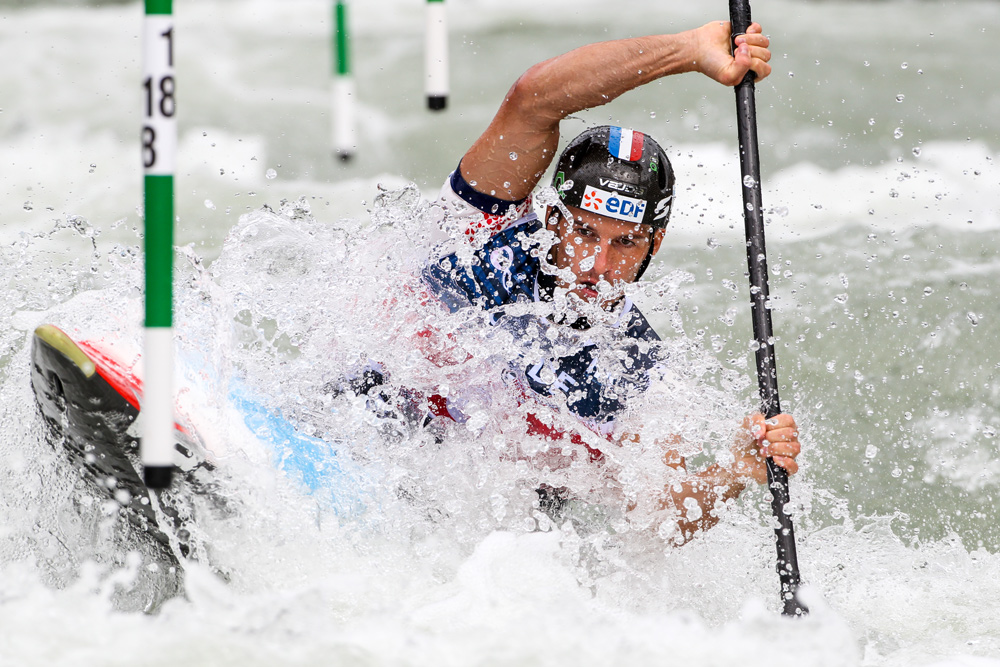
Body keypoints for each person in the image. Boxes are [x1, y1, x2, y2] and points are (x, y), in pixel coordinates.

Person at [419, 20, 800, 541]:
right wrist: (687, 51)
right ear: (554, 219)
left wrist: (739, 471)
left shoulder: (637, 367)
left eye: (625, 244)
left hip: (481, 522)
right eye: (584, 233)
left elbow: (659, 517)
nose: (598, 265)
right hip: (371, 427)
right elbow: (534, 97)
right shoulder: (482, 227)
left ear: (654, 246)